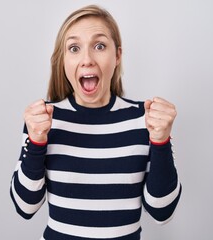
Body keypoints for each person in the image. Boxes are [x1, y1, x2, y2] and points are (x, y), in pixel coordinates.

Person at [10, 4, 182, 240]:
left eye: (99, 46)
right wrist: (36, 142)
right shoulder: (45, 121)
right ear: (64, 61)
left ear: (117, 55)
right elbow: (25, 207)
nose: (87, 59)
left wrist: (161, 141)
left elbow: (163, 212)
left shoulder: (145, 118)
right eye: (74, 48)